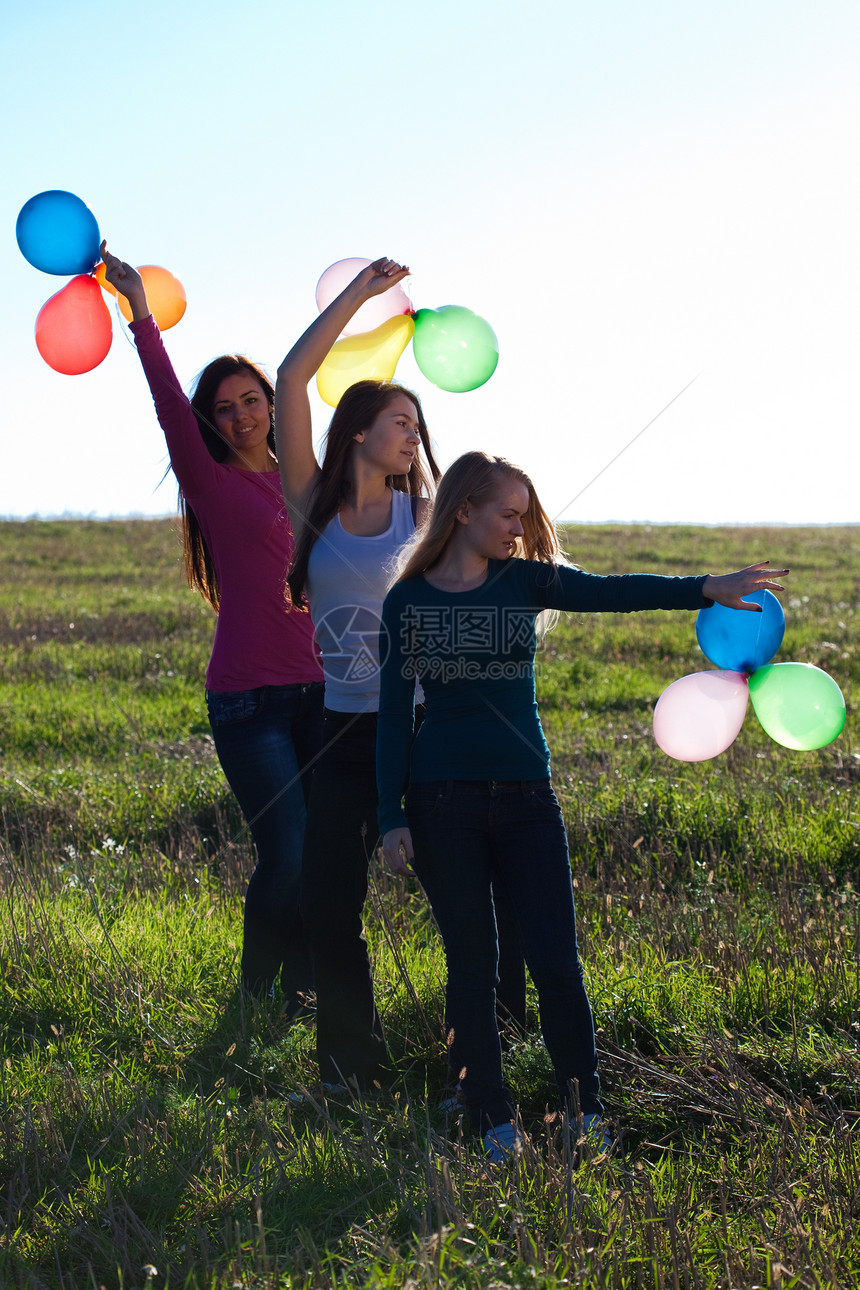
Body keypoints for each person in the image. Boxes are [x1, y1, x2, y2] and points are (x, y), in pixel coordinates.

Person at [377, 450, 789, 1159]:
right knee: (473, 965)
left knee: (557, 962)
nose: (518, 527)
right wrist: (391, 815)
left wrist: (704, 588)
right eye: (507, 513)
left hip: (528, 799)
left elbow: (611, 590)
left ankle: (584, 1112)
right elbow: (390, 716)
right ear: (464, 510)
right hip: (442, 801)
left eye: (523, 515)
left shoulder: (524, 581)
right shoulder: (407, 602)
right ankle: (490, 1119)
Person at [99, 243, 325, 1014]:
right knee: (287, 852)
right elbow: (167, 401)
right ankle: (255, 1000)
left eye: (250, 399)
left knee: (320, 857)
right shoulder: (211, 481)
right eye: (223, 407)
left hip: (324, 695)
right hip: (249, 702)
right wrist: (139, 314)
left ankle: (300, 995)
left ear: (272, 400)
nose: (238, 414)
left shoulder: (312, 482)